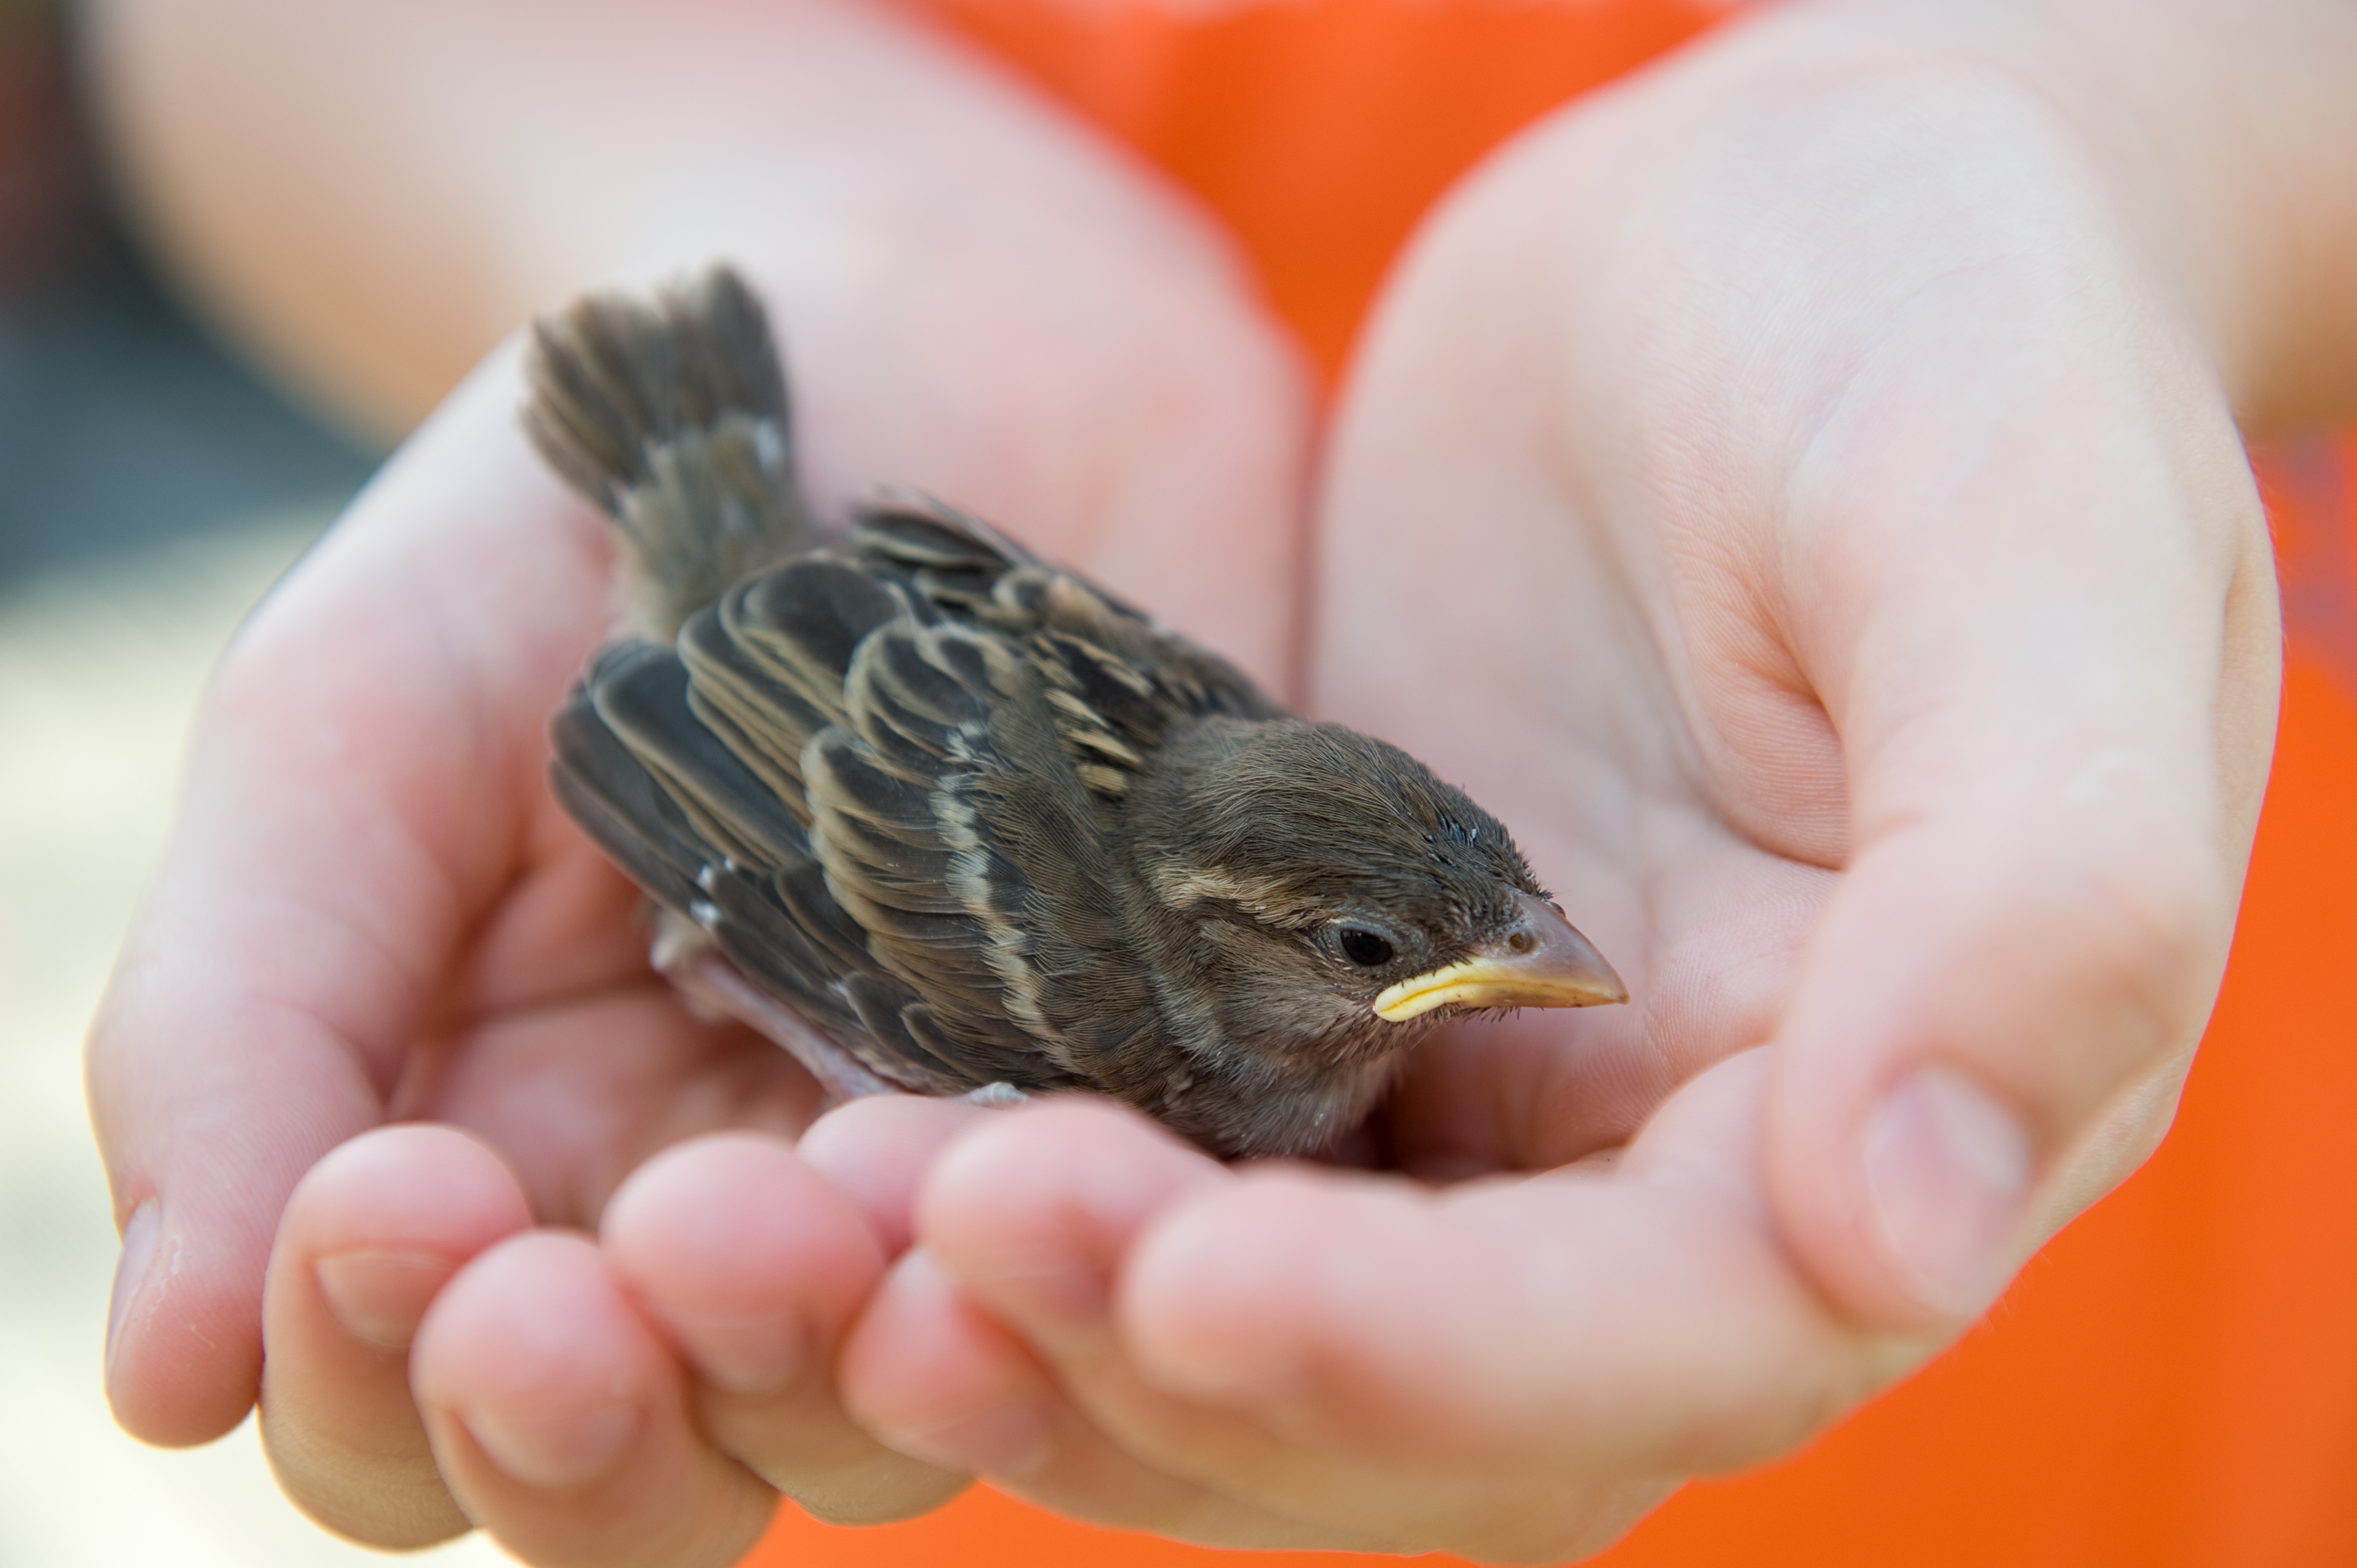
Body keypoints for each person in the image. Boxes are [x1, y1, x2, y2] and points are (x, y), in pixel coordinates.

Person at [81, 0, 2357, 1562]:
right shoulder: (1076, 1001)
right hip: (938, 1347)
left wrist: (2085, 134)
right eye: (1388, 955)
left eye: (1479, 918)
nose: (1510, 964)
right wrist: (781, 191)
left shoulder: (1241, 832)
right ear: (1226, 962)